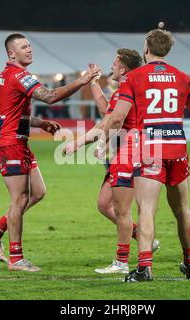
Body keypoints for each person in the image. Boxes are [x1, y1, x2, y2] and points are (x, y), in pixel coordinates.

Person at [0, 33, 101, 272]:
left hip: (17, 141)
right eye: (24, 47)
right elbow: (50, 97)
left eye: (30, 46)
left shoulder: (7, 75)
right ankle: (16, 258)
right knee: (20, 199)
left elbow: (11, 113)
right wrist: (82, 80)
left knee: (38, 192)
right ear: (11, 54)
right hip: (9, 144)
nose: (29, 50)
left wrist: (39, 123)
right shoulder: (19, 76)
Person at [97, 29, 190, 281]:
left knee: (146, 209)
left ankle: (145, 268)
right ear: (167, 50)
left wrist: (105, 141)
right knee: (182, 208)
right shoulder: (183, 78)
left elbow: (117, 116)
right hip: (177, 147)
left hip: (149, 149)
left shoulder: (134, 77)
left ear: (146, 48)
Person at [64, 49, 159, 275]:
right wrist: (95, 84)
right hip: (144, 151)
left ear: (124, 68)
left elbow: (108, 121)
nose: (112, 67)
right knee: (105, 203)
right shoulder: (136, 88)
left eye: (115, 63)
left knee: (122, 210)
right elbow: (108, 112)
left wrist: (86, 144)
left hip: (129, 154)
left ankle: (122, 261)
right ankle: (142, 240)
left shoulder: (126, 89)